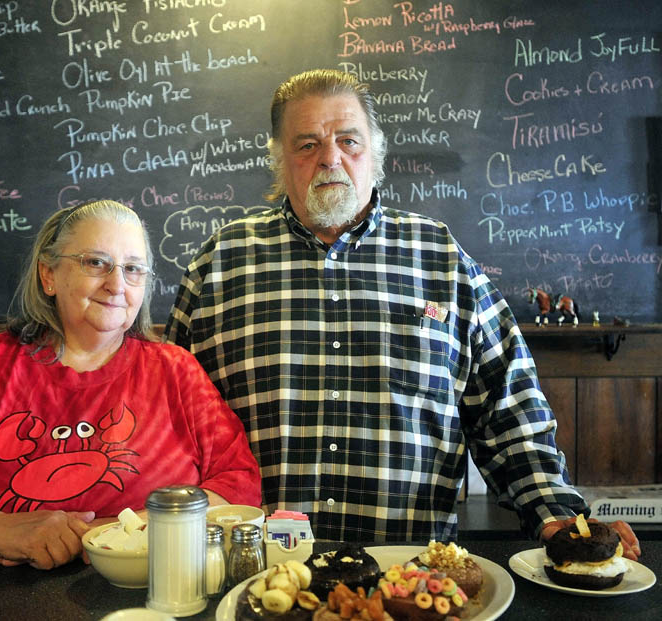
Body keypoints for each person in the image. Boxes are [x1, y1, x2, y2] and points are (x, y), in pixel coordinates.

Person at [164, 69, 641, 559]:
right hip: (253, 576)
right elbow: (165, 418)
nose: (330, 158)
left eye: (349, 140)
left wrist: (555, 510)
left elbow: (508, 408)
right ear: (279, 162)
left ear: (377, 154)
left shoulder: (442, 259)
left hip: (412, 582)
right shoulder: (220, 265)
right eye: (307, 145)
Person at [0, 200, 261, 570]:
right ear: (48, 274)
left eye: (133, 268)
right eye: (96, 262)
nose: (116, 283)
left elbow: (238, 485)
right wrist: (2, 531)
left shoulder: (177, 371)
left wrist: (118, 533)